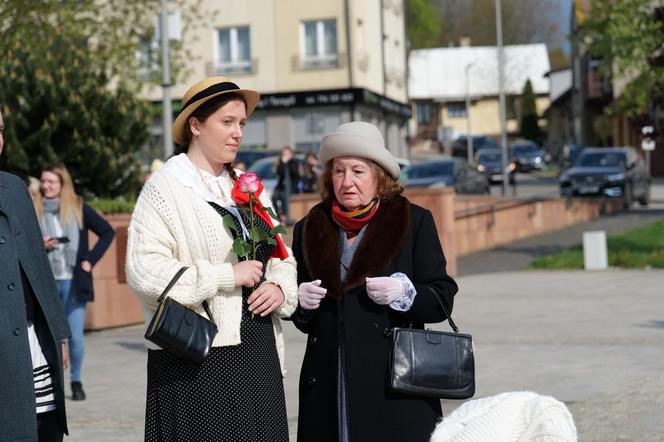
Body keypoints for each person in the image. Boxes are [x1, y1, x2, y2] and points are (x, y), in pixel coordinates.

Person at [125, 76, 298, 441]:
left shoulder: (247, 187)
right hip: (196, 360)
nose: (238, 133)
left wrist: (281, 289)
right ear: (196, 125)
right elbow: (143, 271)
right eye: (227, 122)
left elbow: (283, 255)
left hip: (258, 354)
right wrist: (224, 276)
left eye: (242, 124)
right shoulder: (165, 188)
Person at [290, 121, 459, 442]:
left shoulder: (414, 221)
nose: (347, 181)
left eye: (358, 171)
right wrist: (300, 302)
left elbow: (442, 297)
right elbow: (303, 320)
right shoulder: (310, 226)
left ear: (379, 177)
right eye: (339, 171)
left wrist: (405, 294)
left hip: (392, 384)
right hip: (330, 381)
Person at [0, 107, 70, 441]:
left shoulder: (14, 188)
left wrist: (58, 331)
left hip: (35, 347)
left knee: (45, 429)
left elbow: (39, 268)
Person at [35, 163, 115, 401]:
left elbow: (107, 231)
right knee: (50, 337)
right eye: (43, 181)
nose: (46, 186)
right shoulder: (33, 208)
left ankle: (76, 380)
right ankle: (53, 382)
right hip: (45, 282)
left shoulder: (78, 207)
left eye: (51, 181)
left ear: (62, 184)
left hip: (73, 281)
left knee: (75, 337)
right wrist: (41, 244)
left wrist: (90, 260)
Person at [272, 145, 300, 224]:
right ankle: (279, 215)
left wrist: (288, 163)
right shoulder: (280, 163)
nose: (286, 156)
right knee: (274, 197)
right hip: (281, 186)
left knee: (284, 196)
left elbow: (294, 173)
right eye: (284, 154)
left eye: (288, 154)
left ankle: (286, 216)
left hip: (292, 186)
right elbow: (280, 174)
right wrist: (283, 164)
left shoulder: (294, 162)